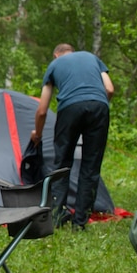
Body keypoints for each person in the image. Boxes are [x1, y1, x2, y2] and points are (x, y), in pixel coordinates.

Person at [30, 44, 114, 231]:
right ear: (73, 52)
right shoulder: (92, 58)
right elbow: (109, 89)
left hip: (70, 109)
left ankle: (57, 217)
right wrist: (94, 104)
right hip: (99, 106)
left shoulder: (55, 65)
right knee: (90, 166)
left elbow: (42, 109)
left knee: (62, 164)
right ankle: (80, 223)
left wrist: (38, 134)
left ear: (56, 55)